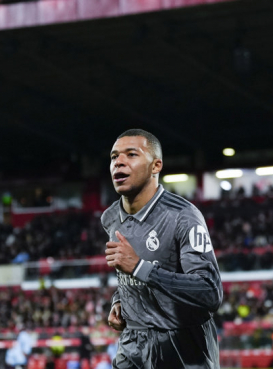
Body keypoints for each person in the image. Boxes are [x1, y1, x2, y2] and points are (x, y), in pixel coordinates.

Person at [102, 129, 222, 369]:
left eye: (131, 154)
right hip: (133, 343)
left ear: (156, 166)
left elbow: (209, 291)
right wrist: (119, 300)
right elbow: (127, 271)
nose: (119, 162)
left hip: (182, 345)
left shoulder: (183, 216)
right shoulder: (110, 217)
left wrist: (139, 267)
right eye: (114, 157)